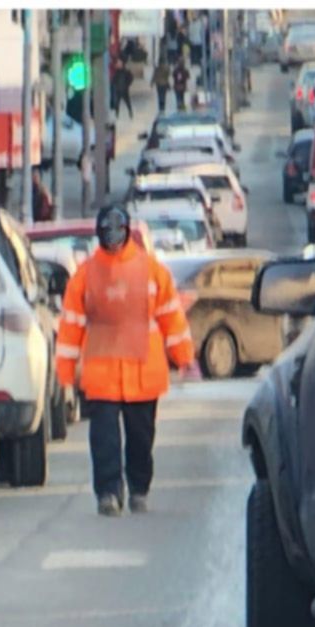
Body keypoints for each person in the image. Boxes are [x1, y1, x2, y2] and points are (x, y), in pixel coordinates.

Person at [55, 205, 196, 516]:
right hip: (102, 371)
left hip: (143, 371)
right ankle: (108, 493)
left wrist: (183, 356)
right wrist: (64, 373)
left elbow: (171, 316)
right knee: (104, 438)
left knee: (140, 439)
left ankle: (139, 489)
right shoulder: (86, 275)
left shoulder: (152, 271)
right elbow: (71, 325)